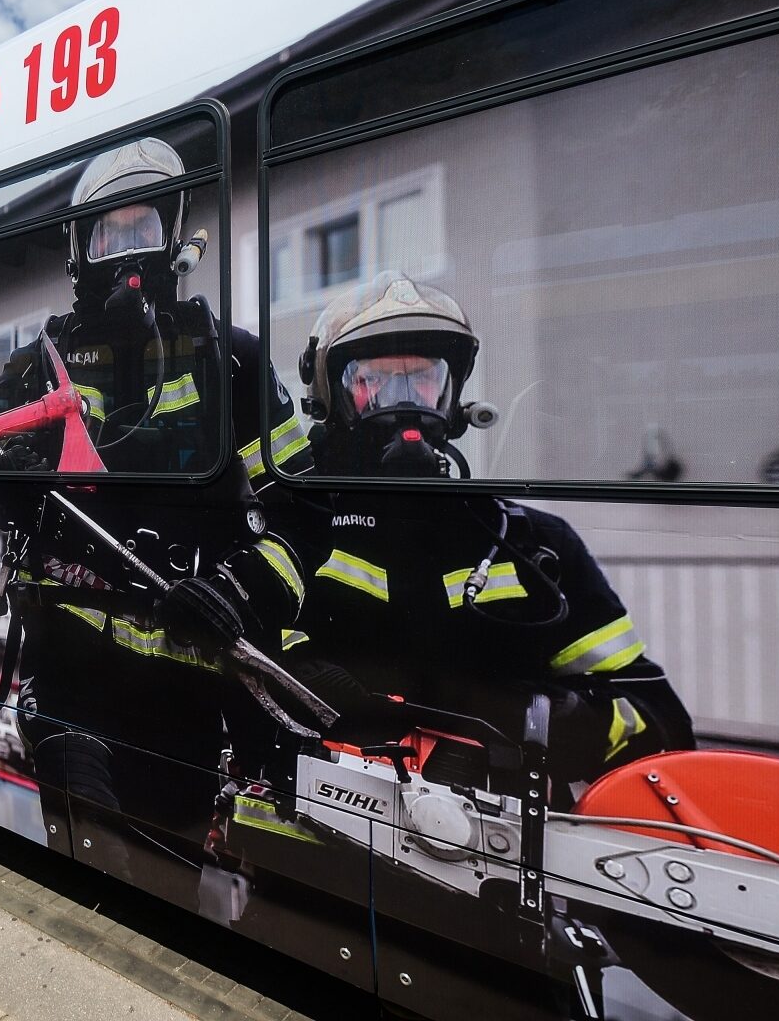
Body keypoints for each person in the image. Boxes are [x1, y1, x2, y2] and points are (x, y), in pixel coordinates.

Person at [0, 136, 326, 895]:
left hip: (190, 687)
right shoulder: (39, 365)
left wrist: (237, 590)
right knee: (90, 842)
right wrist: (8, 479)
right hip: (65, 670)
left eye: (144, 230)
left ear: (176, 240)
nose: (127, 253)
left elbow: (304, 507)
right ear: (79, 252)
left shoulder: (232, 362)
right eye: (109, 234)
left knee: (164, 884)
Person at [282, 271, 694, 798]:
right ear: (331, 401)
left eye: (424, 380)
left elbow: (658, 720)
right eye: (375, 382)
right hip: (329, 830)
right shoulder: (293, 532)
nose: (405, 403)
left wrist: (545, 720)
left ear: (454, 398)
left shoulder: (530, 543)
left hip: (510, 840)